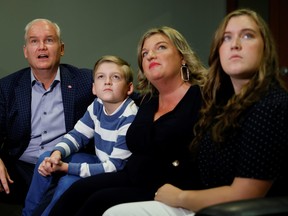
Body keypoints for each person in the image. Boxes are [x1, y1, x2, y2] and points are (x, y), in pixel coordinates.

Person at [102, 8, 288, 216]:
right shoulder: (225, 105)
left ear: (266, 49)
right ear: (219, 50)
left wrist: (181, 197)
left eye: (247, 35)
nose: (235, 45)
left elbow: (246, 194)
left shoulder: (271, 105)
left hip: (227, 209)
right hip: (200, 200)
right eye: (226, 38)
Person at [48, 26, 207, 216]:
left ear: (182, 56)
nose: (150, 56)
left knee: (97, 203)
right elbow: (112, 102)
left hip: (168, 187)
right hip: (130, 176)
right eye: (145, 53)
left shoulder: (201, 99)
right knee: (76, 191)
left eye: (161, 47)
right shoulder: (148, 101)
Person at [22, 55, 138, 216]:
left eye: (116, 77)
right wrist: (57, 154)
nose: (107, 81)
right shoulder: (97, 105)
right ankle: (27, 213)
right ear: (94, 88)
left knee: (68, 182)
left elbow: (113, 167)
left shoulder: (130, 118)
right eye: (101, 77)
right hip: (99, 161)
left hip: (115, 174)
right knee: (45, 158)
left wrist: (66, 168)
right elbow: (77, 135)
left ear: (129, 88)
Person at [0, 18, 95, 206]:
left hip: (63, 165)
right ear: (26, 51)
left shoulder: (85, 80)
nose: (42, 47)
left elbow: (126, 92)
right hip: (20, 168)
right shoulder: (7, 87)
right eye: (34, 41)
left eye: (49, 40)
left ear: (61, 48)